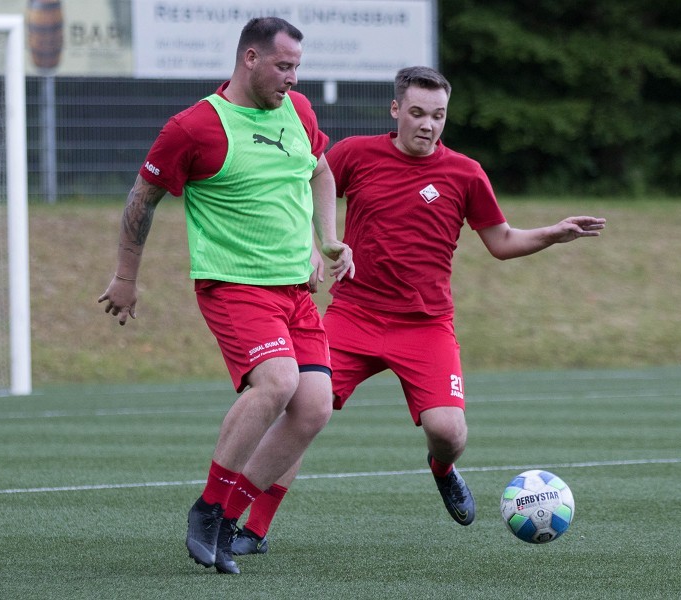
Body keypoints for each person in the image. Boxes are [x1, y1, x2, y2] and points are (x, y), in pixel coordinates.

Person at [229, 66, 606, 555]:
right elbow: (304, 195)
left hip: (426, 326)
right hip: (352, 316)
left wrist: (552, 234)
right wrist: (314, 246)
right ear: (396, 110)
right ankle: (252, 530)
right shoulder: (355, 154)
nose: (428, 124)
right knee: (299, 413)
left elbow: (502, 241)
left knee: (446, 432)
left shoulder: (465, 173)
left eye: (439, 116)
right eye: (418, 113)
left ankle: (442, 468)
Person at [97, 17, 353, 575]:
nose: (292, 79)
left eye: (297, 68)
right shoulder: (194, 127)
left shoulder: (298, 110)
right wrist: (125, 276)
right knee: (279, 382)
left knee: (312, 409)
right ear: (251, 60)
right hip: (235, 286)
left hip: (295, 288)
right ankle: (208, 509)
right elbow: (143, 198)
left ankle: (230, 517)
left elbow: (320, 173)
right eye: (284, 67)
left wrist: (326, 240)